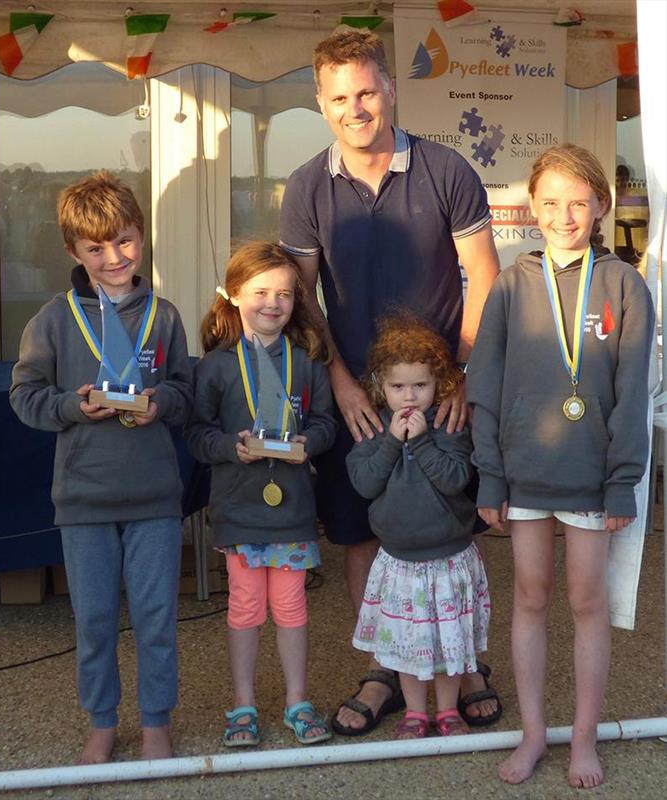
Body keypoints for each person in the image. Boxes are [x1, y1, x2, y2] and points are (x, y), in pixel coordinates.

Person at [279, 28, 501, 734]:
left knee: (449, 530)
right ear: (320, 102)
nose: (356, 107)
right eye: (339, 96)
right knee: (359, 532)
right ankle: (384, 667)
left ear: (390, 89)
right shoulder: (306, 186)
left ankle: (462, 664)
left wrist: (460, 372)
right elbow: (302, 299)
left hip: (438, 392)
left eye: (366, 91)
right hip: (357, 400)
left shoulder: (446, 170)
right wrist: (340, 381)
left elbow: (485, 280)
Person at [467, 144, 654, 788]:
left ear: (601, 206)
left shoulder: (624, 284)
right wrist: (489, 473)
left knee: (586, 600)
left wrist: (622, 482)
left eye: (578, 202)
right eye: (550, 202)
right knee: (529, 597)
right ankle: (533, 735)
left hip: (592, 479)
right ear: (532, 207)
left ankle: (582, 740)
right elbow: (484, 384)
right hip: (523, 476)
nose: (564, 215)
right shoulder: (514, 284)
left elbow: (634, 393)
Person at [10, 171, 193, 763]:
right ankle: (103, 723)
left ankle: (158, 722)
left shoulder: (164, 315)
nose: (115, 257)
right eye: (97, 248)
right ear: (73, 251)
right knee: (92, 620)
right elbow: (25, 395)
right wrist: (73, 405)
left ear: (142, 235)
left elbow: (185, 392)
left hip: (154, 499)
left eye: (126, 241)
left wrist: (161, 403)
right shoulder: (52, 320)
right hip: (84, 501)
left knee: (156, 617)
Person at [185, 242, 336, 747]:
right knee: (246, 607)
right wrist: (233, 447)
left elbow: (325, 425)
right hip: (239, 510)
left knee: (292, 607)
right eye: (260, 293)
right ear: (233, 295)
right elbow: (197, 435)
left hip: (291, 511)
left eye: (285, 295)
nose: (273, 304)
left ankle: (298, 701)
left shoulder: (307, 361)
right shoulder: (216, 367)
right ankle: (243, 705)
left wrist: (307, 442)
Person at [346, 316, 491, 740]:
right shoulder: (373, 433)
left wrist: (422, 440)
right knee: (407, 645)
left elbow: (454, 479)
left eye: (420, 386)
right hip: (400, 565)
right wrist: (394, 441)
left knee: (448, 645)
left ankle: (446, 711)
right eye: (398, 387)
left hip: (448, 560)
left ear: (438, 384)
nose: (409, 397)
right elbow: (365, 483)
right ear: (379, 386)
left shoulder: (449, 428)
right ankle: (414, 712)